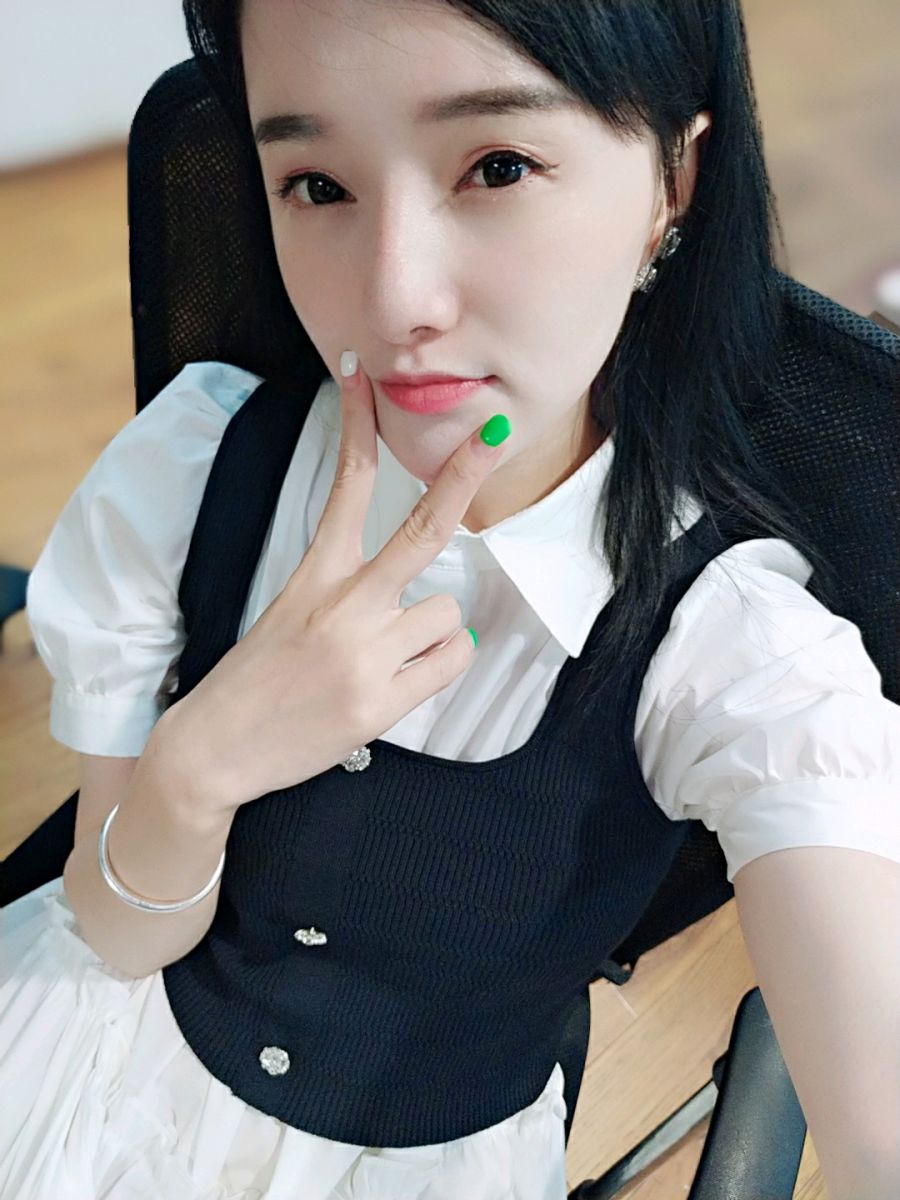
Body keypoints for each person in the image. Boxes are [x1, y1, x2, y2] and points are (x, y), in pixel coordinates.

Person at [2, 1, 899, 1198]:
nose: (395, 302)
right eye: (317, 186)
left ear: (673, 182)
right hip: (88, 1056)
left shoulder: (736, 652)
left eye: (499, 166)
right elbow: (114, 934)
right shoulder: (197, 467)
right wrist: (195, 768)